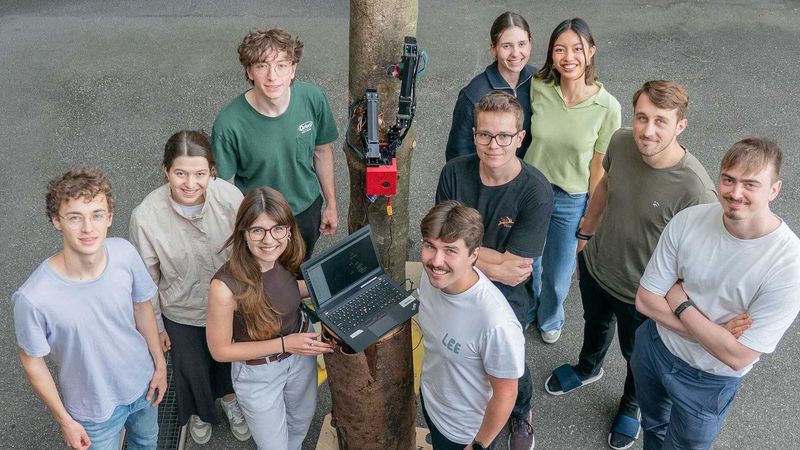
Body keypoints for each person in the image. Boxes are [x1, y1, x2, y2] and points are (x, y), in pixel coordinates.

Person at [542, 81, 718, 450]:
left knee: (636, 356)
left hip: (642, 295)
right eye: (641, 117)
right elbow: (605, 186)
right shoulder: (621, 142)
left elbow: (699, 262)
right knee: (594, 324)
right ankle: (588, 368)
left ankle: (631, 404)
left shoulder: (696, 189)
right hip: (597, 267)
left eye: (660, 121)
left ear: (680, 125)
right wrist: (585, 235)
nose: (647, 130)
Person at [632, 136, 800, 449]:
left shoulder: (788, 265)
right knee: (653, 427)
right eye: (728, 179)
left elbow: (737, 356)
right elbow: (645, 300)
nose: (735, 193)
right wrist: (717, 334)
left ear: (774, 190)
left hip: (708, 381)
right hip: (655, 349)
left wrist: (680, 302)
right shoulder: (689, 220)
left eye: (750, 184)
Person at [13, 166, 166, 450]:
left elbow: (141, 306)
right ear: (56, 220)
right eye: (75, 217)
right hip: (92, 411)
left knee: (146, 442)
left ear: (109, 218)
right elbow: (32, 361)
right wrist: (65, 421)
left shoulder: (124, 253)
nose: (88, 228)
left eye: (96, 215)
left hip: (143, 384)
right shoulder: (33, 298)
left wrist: (159, 365)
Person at [436, 91, 553, 450]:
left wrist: (462, 253)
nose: (494, 145)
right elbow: (442, 240)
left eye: (504, 136)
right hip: (455, 282)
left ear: (520, 138)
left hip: (507, 294)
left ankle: (522, 410)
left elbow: (515, 270)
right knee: (459, 349)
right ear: (474, 135)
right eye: (485, 134)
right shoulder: (454, 172)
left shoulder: (535, 191)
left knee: (509, 361)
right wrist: (494, 261)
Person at [129, 130, 248, 444]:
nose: (190, 183)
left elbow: (247, 251)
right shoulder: (145, 218)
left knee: (227, 359)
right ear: (166, 171)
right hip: (180, 310)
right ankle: (198, 412)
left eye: (200, 174)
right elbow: (146, 281)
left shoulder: (231, 198)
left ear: (212, 171)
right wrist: (157, 326)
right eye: (180, 173)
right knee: (190, 368)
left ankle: (230, 401)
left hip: (229, 302)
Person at [206, 187, 334, 450]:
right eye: (257, 230)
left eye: (278, 229)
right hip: (259, 373)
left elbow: (286, 289)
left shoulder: (283, 255)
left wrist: (333, 283)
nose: (269, 240)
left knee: (300, 422)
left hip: (300, 355)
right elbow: (220, 350)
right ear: (243, 233)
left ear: (288, 230)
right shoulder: (223, 287)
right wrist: (286, 344)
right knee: (273, 444)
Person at [524, 18, 621, 344]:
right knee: (528, 260)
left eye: (577, 49)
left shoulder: (607, 107)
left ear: (591, 52)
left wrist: (590, 214)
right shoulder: (538, 87)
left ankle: (551, 317)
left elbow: (598, 165)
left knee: (559, 271)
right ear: (551, 55)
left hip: (571, 198)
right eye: (560, 49)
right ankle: (528, 309)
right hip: (533, 191)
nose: (568, 57)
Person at [212, 27, 339, 257]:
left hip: (306, 210)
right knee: (263, 277)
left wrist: (331, 204)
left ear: (293, 69)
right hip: (260, 222)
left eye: (281, 65)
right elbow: (226, 188)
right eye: (262, 66)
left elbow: (322, 152)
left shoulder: (313, 98)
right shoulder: (228, 124)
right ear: (249, 71)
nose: (273, 76)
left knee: (301, 270)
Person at [418, 200, 525, 450]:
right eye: (430, 246)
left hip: (462, 432)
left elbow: (506, 394)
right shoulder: (430, 277)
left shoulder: (497, 324)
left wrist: (478, 446)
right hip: (431, 401)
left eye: (450, 250)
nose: (436, 261)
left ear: (473, 254)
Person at [445, 11, 537, 161]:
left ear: (530, 44)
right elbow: (458, 154)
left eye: (522, 44)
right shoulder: (473, 95)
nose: (515, 53)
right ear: (493, 49)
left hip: (529, 172)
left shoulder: (539, 80)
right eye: (506, 46)